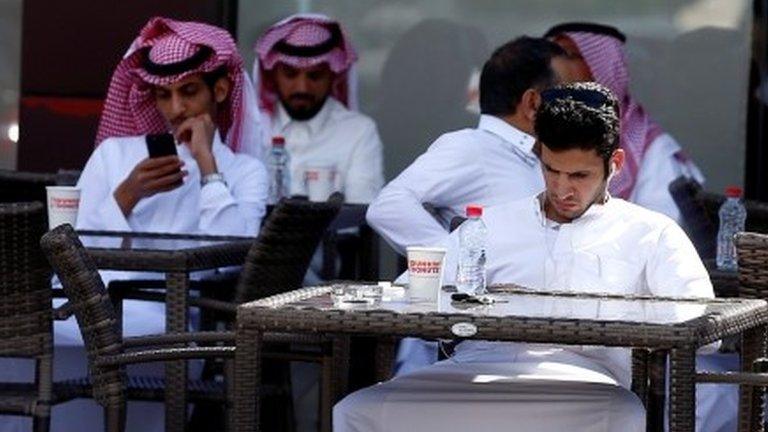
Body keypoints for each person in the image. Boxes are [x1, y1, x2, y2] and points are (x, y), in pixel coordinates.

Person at [334, 82, 714, 432]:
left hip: (582, 385)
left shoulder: (650, 232)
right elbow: (412, 293)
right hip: (471, 374)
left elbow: (703, 325)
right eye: (552, 170)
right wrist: (482, 301)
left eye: (579, 176)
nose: (562, 189)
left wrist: (613, 310)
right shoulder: (492, 224)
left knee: (622, 414)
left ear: (613, 165)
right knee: (356, 411)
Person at [0, 17, 268, 432]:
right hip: (79, 302)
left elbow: (235, 261)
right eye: (164, 95)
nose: (176, 108)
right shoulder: (114, 153)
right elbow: (66, 240)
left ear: (220, 90)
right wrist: (127, 194)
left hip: (168, 313)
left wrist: (209, 169)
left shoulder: (245, 171)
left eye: (189, 92)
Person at [366, 36, 567, 256]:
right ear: (532, 104)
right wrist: (458, 261)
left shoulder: (544, 155)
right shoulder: (471, 148)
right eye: (568, 95)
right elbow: (389, 206)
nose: (576, 105)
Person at [543, 22, 703, 222]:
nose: (554, 65)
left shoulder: (652, 148)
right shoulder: (539, 130)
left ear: (601, 66)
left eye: (568, 55)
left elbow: (659, 232)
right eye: (552, 55)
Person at [253, 13, 383, 204]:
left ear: (333, 75)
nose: (302, 88)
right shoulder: (254, 128)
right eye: (290, 74)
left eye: (315, 76)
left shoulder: (358, 132)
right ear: (273, 74)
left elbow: (360, 210)